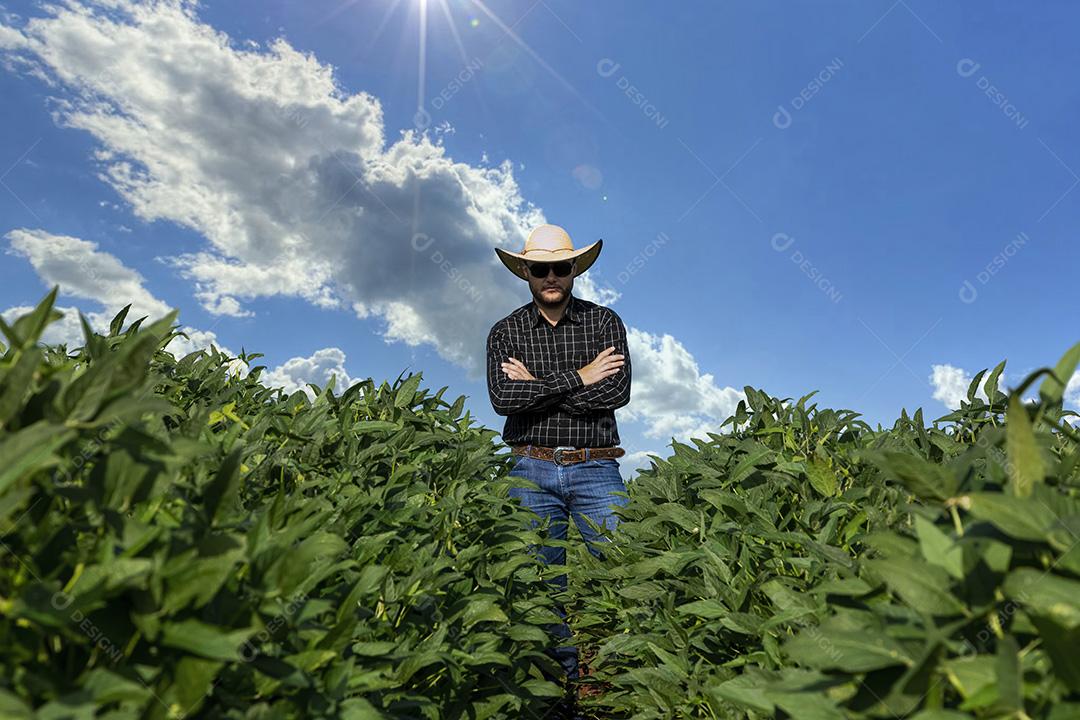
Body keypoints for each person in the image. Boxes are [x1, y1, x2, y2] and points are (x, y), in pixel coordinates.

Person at [486, 223, 633, 692]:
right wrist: (580, 377)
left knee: (626, 570)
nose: (551, 275)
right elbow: (504, 400)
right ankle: (559, 687)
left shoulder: (603, 322)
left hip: (596, 464)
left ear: (574, 270)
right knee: (539, 584)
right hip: (529, 466)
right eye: (540, 268)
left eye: (560, 267)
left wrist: (537, 387)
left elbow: (618, 390)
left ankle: (627, 681)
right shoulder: (506, 331)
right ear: (525, 272)